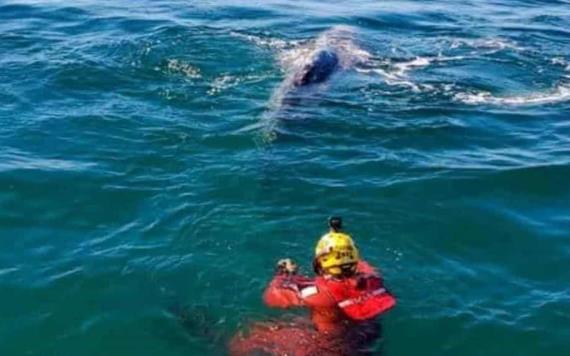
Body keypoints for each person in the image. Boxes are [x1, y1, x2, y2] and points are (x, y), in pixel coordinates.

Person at [229, 217, 396, 355]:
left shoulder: (317, 294)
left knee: (251, 334)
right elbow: (357, 264)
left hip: (331, 349)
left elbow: (272, 297)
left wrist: (284, 273)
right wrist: (340, 242)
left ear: (320, 262)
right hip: (366, 342)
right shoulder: (373, 279)